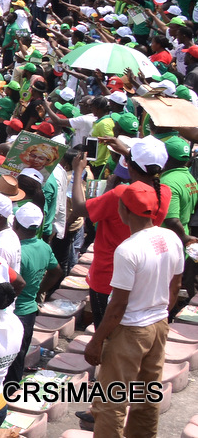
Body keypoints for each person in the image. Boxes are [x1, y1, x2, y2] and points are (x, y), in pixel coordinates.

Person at [84, 181, 185, 438]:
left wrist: (97, 340)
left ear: (124, 210)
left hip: (130, 330)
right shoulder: (171, 238)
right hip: (159, 325)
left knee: (110, 401)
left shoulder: (128, 250)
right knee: (147, 394)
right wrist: (161, 313)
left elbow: (118, 305)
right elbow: (176, 285)